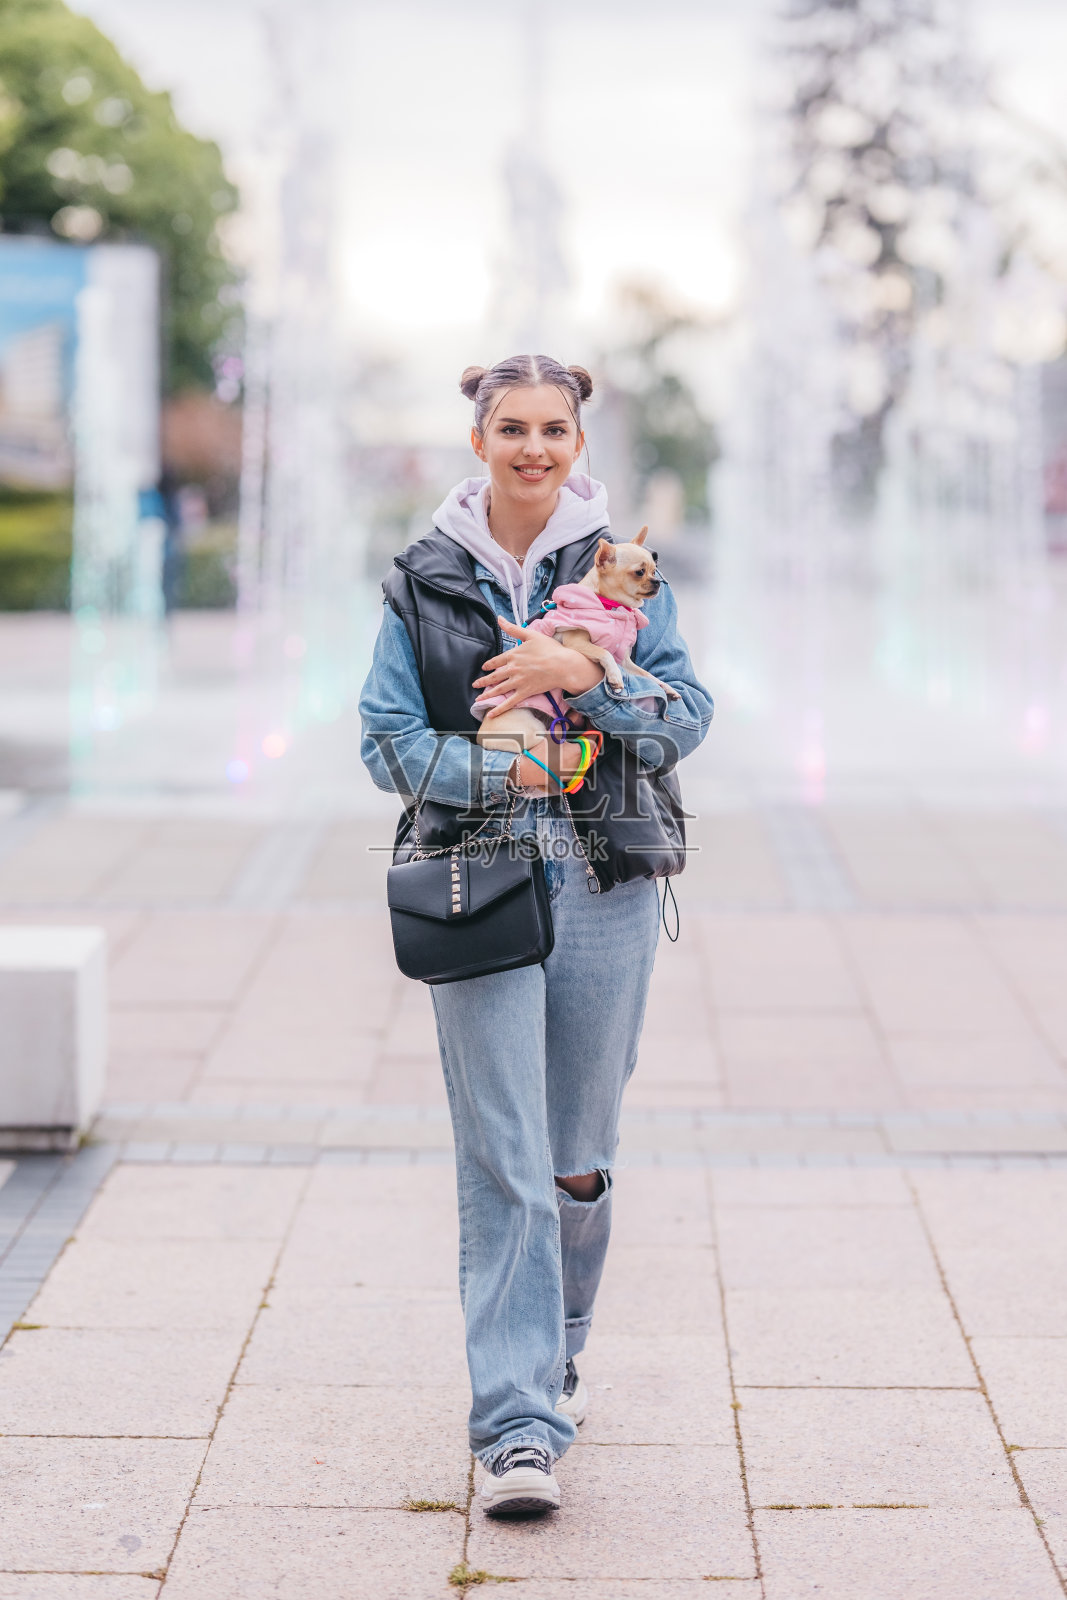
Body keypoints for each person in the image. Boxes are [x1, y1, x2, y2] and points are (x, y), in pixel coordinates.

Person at [359, 353, 713, 1517]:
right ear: (479, 441)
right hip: (476, 877)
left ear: (576, 440)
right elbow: (383, 736)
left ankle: (556, 1347)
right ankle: (515, 1424)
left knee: (574, 1157)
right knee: (502, 1155)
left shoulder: (621, 571)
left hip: (605, 880)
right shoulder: (423, 577)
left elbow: (684, 717)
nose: (532, 448)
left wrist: (583, 676)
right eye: (510, 427)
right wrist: (496, 771)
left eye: (551, 428)